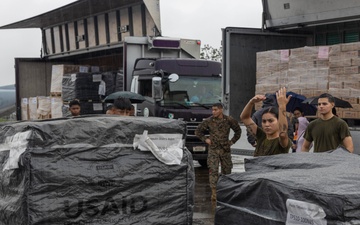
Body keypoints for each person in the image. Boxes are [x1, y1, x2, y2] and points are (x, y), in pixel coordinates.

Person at [195, 103, 241, 201]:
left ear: (221, 110)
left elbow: (238, 131)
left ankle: (226, 191)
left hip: (225, 150)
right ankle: (214, 193)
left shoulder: (229, 120)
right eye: (212, 110)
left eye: (215, 110)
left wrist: (231, 142)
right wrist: (205, 139)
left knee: (227, 171)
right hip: (213, 150)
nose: (213, 112)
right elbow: (198, 131)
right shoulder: (209, 121)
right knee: (213, 171)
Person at [240, 87, 292, 157]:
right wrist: (251, 102)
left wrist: (282, 106)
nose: (267, 125)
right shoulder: (261, 136)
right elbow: (245, 118)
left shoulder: (282, 141)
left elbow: (283, 133)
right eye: (264, 121)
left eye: (271, 121)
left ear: (278, 121)